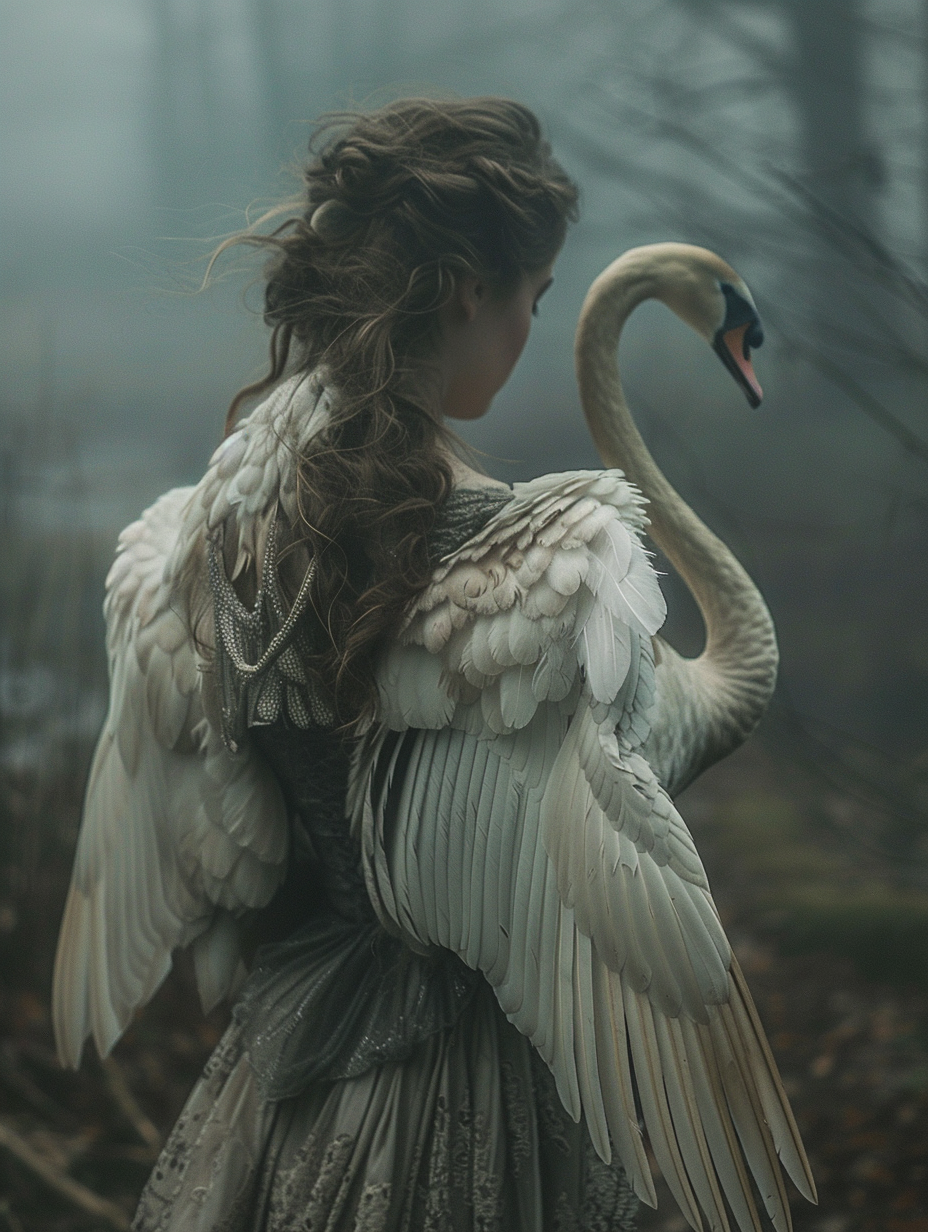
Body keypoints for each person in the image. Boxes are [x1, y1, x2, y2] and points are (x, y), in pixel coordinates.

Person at [53, 97, 642, 1230]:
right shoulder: (520, 556)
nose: (529, 331)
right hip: (475, 1059)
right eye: (533, 297)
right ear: (469, 287)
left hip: (301, 1047)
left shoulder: (209, 538)